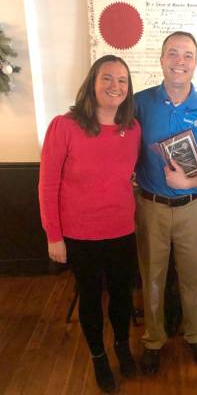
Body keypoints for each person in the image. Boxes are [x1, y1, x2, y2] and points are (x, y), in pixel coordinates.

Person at [39, 55, 141, 393]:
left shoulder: (133, 129)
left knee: (123, 297)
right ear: (92, 83)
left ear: (129, 89)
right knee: (91, 298)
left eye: (122, 80)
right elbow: (48, 184)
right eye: (107, 78)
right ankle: (99, 356)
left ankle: (122, 346)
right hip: (80, 234)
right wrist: (54, 235)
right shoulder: (64, 126)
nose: (115, 86)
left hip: (122, 230)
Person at [134, 31, 197, 374]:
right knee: (152, 277)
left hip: (191, 208)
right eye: (173, 53)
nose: (180, 61)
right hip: (149, 207)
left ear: (195, 64)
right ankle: (154, 340)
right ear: (161, 59)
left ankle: (194, 335)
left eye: (187, 55)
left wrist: (190, 181)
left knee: (191, 277)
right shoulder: (139, 104)